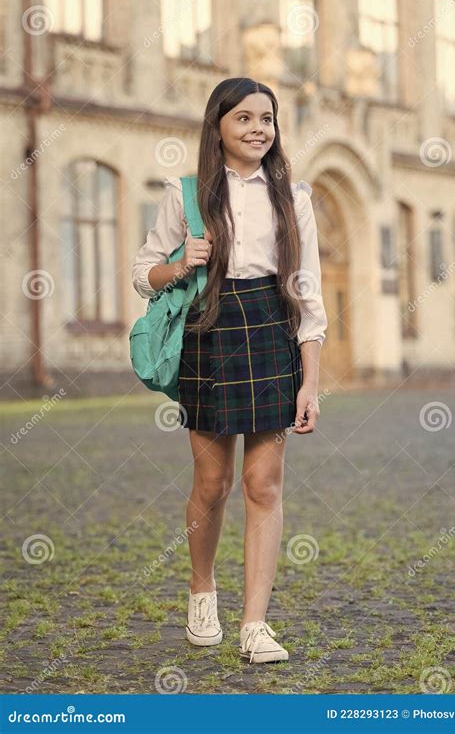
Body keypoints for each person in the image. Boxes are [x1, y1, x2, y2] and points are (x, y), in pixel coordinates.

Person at [131, 77, 328, 664]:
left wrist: (311, 380)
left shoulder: (294, 196)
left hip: (272, 329)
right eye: (243, 118)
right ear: (218, 125)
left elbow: (309, 294)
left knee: (263, 485)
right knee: (212, 484)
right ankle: (201, 592)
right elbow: (143, 274)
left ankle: (255, 625)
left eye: (266, 118)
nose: (257, 129)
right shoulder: (185, 194)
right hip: (209, 330)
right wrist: (180, 261)